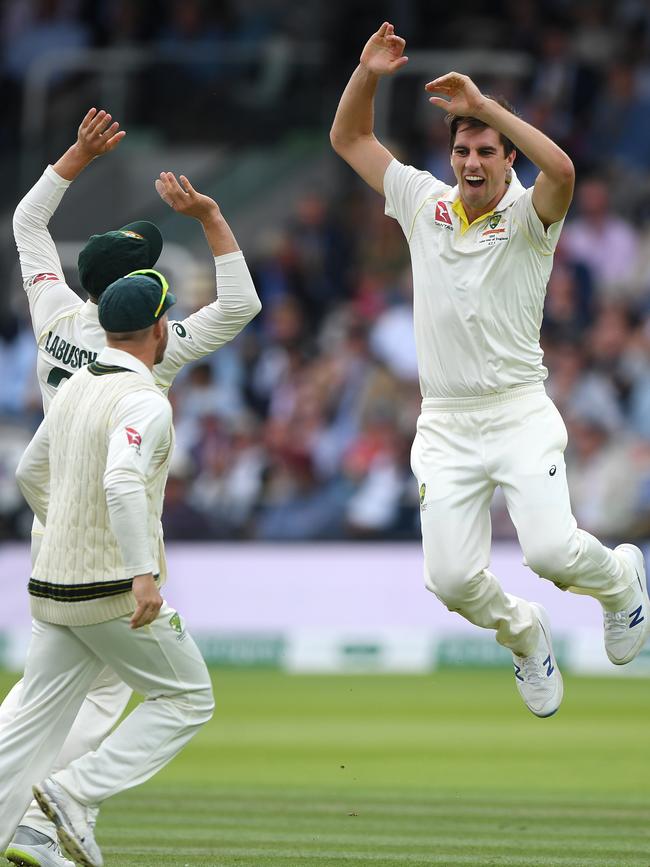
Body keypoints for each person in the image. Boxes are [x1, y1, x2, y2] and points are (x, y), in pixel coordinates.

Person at [330, 22, 649, 718]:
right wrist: (367, 73)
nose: (472, 162)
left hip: (516, 411)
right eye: (463, 150)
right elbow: (350, 139)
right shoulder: (423, 202)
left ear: (508, 159)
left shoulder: (533, 214)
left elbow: (562, 171)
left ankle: (623, 580)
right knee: (447, 578)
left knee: (554, 554)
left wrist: (488, 103)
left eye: (486, 152)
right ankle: (524, 630)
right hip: (444, 421)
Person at [3, 107, 261, 866]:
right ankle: (56, 806)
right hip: (111, 541)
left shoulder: (54, 310)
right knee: (125, 692)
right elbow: (241, 305)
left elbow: (27, 223)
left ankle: (36, 812)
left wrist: (74, 159)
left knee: (46, 699)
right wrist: (212, 220)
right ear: (142, 305)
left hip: (54, 528)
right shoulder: (156, 354)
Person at [1, 271, 214, 867]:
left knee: (27, 725)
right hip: (110, 589)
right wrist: (140, 572)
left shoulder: (73, 387)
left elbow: (27, 474)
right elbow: (121, 480)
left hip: (52, 584)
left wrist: (66, 530)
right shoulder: (144, 400)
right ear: (157, 330)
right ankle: (73, 792)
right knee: (187, 699)